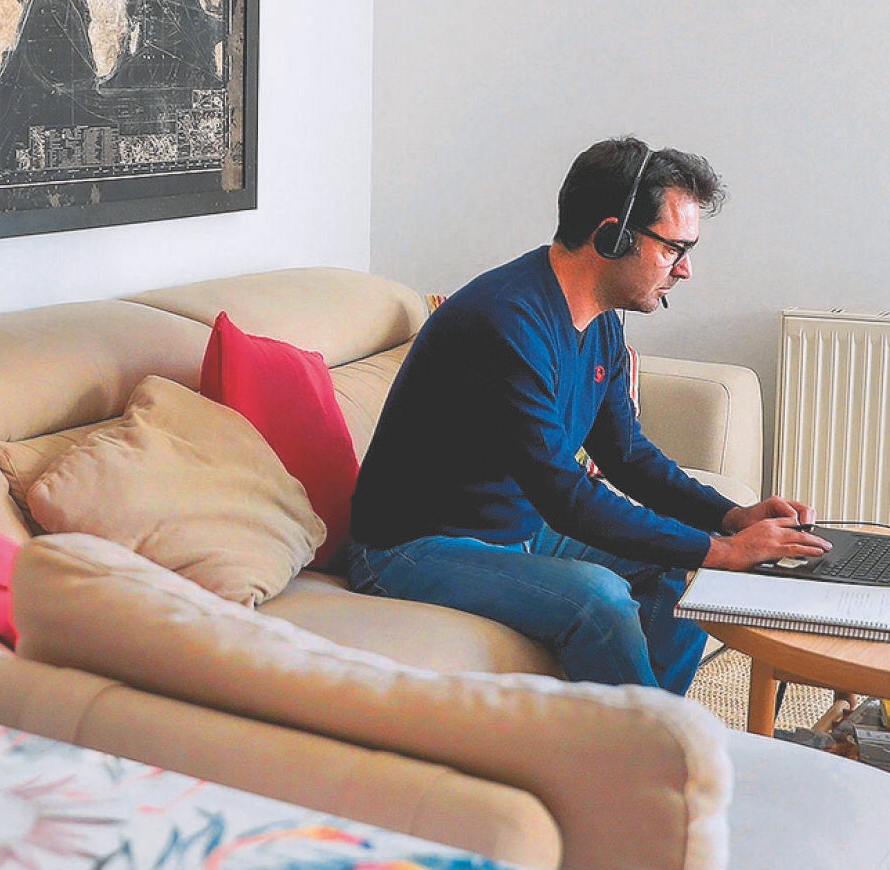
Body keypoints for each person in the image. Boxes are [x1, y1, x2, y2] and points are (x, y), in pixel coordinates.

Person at [345, 136, 831, 694]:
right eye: (674, 248)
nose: (686, 270)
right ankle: (647, 740)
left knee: (681, 573)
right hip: (409, 549)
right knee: (599, 601)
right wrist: (722, 551)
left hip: (517, 531)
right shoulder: (505, 324)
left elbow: (626, 454)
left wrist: (730, 517)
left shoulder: (600, 323)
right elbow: (564, 497)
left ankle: (645, 722)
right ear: (612, 236)